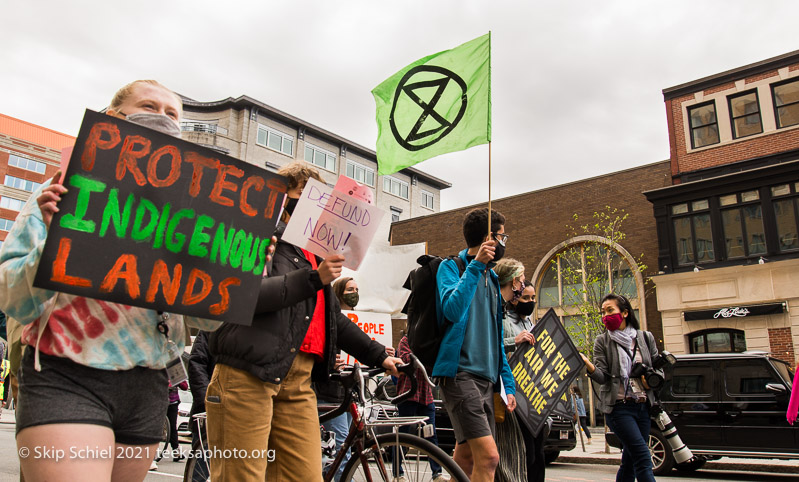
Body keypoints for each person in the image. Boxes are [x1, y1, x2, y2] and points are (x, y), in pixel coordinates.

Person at [0, 80, 223, 481]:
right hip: (66, 374)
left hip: (148, 384)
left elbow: (209, 322)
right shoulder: (60, 193)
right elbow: (12, 298)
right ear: (112, 118)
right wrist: (52, 242)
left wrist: (230, 272)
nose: (163, 118)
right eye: (149, 106)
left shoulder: (189, 219)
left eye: (173, 114)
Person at [207, 161, 403, 481]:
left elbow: (333, 320)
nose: (314, 200)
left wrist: (380, 354)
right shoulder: (257, 234)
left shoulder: (315, 256)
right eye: (303, 191)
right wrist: (313, 279)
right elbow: (245, 294)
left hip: (298, 382)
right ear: (282, 198)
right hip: (247, 375)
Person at [433, 207, 516, 482]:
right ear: (488, 238)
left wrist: (508, 384)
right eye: (502, 237)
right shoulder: (451, 267)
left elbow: (495, 337)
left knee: (466, 458)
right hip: (459, 376)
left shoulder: (492, 279)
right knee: (489, 457)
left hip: (486, 381)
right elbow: (452, 310)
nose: (505, 242)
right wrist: (476, 265)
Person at [581, 293, 661, 482]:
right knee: (642, 456)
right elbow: (602, 378)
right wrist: (588, 365)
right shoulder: (602, 341)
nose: (605, 316)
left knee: (630, 460)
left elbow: (659, 369)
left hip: (643, 406)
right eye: (603, 312)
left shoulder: (645, 338)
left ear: (624, 313)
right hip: (619, 408)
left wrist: (651, 380)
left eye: (610, 310)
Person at [394, 334, 446, 482]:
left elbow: (432, 365)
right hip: (408, 395)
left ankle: (437, 473)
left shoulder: (428, 341)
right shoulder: (405, 341)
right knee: (403, 436)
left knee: (431, 435)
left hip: (425, 396)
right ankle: (398, 474)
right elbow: (407, 362)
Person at [187, 330, 215, 445]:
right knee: (203, 458)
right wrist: (206, 400)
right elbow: (196, 364)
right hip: (207, 413)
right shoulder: (212, 327)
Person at [164, 380, 189, 461]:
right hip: (159, 401)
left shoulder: (174, 368)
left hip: (173, 402)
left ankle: (176, 450)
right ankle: (151, 453)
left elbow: (185, 387)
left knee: (172, 427)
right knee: (156, 427)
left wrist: (178, 381)